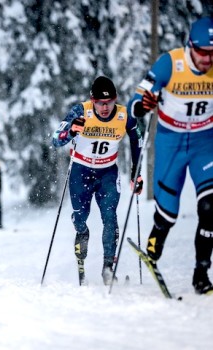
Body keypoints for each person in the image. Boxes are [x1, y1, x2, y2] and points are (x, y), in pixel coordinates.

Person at [127, 17, 213, 295]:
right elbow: (134, 102)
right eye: (203, 52)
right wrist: (143, 104)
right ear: (190, 47)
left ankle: (201, 273)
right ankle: (154, 244)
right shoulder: (170, 63)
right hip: (171, 141)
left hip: (204, 142)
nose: (207, 59)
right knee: (168, 211)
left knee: (210, 209)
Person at [52, 76, 143, 286]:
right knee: (80, 217)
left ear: (115, 100)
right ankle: (82, 232)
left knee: (110, 217)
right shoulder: (80, 111)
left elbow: (137, 139)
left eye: (109, 102)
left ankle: (108, 267)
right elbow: (55, 139)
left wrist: (135, 172)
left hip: (107, 173)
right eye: (100, 103)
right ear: (92, 100)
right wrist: (71, 130)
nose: (105, 107)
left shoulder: (123, 115)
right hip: (80, 171)